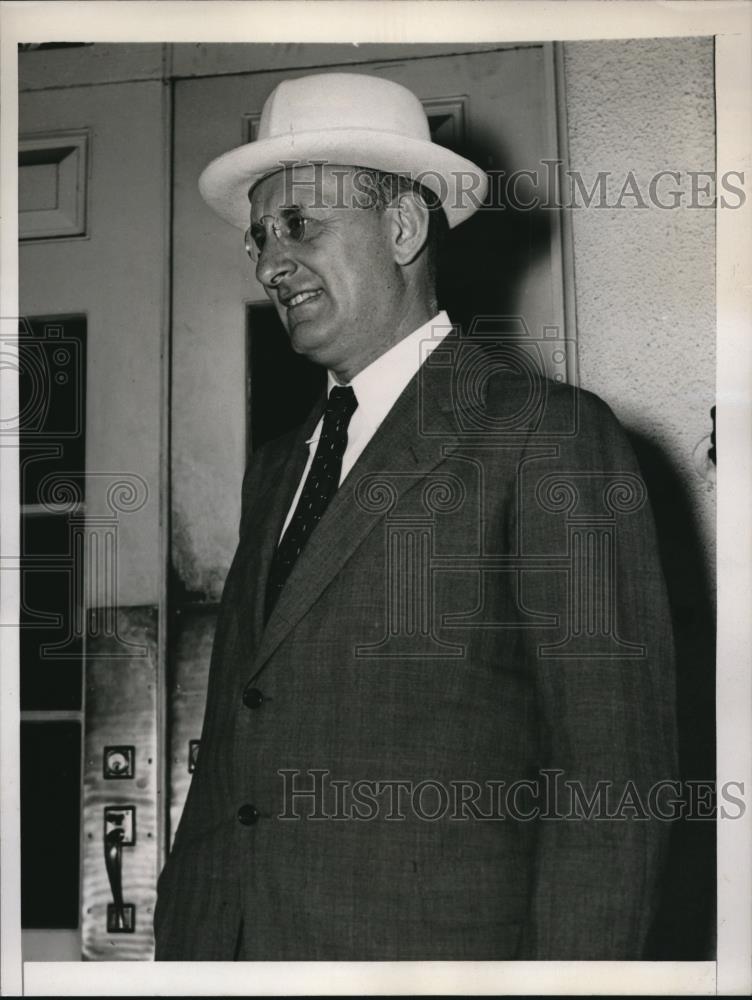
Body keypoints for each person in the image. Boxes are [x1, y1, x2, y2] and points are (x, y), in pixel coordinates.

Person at [154, 72, 677, 961]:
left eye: (299, 226)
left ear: (401, 228)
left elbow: (613, 783)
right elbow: (237, 755)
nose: (270, 263)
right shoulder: (278, 469)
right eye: (258, 240)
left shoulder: (546, 436)